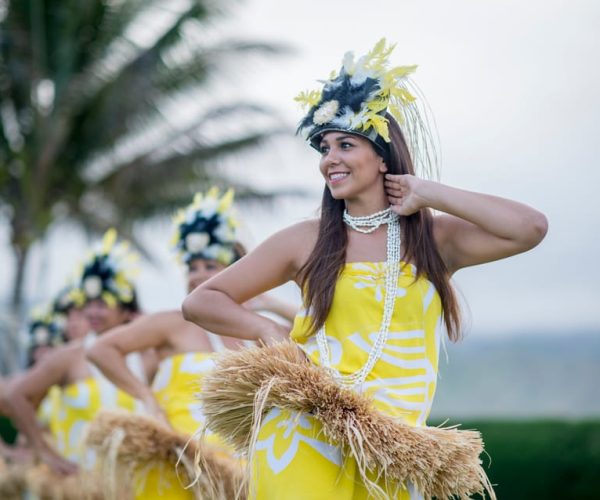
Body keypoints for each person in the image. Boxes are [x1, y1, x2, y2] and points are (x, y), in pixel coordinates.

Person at [181, 39, 548, 499]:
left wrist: (429, 192)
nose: (329, 158)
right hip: (304, 429)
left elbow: (530, 227)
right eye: (323, 147)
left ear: (382, 156)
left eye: (345, 144)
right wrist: (274, 336)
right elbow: (201, 302)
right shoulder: (307, 239)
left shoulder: (434, 240)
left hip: (396, 448)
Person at [86, 187, 296, 498]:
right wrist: (146, 398)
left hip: (241, 472)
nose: (197, 276)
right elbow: (101, 350)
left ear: (237, 271)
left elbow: (320, 335)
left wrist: (270, 302)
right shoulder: (173, 323)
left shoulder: (259, 332)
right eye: (192, 268)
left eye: (210, 267)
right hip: (178, 463)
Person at [5, 229, 155, 476]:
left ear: (126, 310)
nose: (92, 312)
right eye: (88, 303)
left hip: (138, 483)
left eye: (102, 304)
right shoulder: (71, 356)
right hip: (82, 484)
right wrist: (43, 452)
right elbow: (15, 395)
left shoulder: (146, 355)